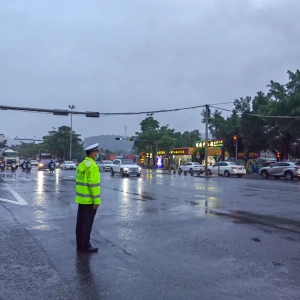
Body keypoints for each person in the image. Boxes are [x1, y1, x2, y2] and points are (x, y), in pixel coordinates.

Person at [75, 143, 101, 253]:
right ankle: (86, 245)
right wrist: (97, 201)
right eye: (96, 151)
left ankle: (80, 244)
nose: (97, 153)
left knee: (80, 223)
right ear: (92, 153)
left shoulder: (82, 164)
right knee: (87, 224)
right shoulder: (93, 166)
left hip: (81, 199)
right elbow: (94, 185)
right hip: (90, 200)